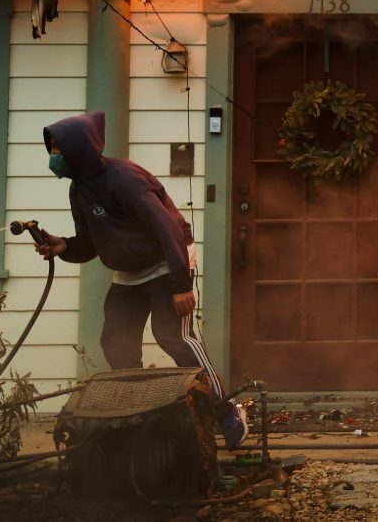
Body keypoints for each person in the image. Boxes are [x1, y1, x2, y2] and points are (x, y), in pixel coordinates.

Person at [33, 111, 248, 449]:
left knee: (173, 336)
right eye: (52, 149)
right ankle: (139, 416)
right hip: (128, 272)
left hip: (166, 261)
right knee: (115, 343)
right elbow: (90, 242)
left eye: (58, 149)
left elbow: (168, 228)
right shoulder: (79, 190)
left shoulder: (124, 178)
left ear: (78, 148)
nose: (53, 156)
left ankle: (226, 410)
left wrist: (181, 285)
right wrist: (64, 247)